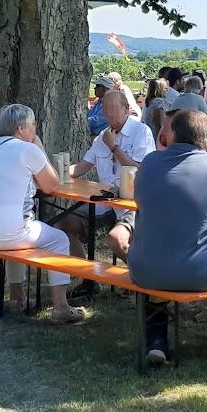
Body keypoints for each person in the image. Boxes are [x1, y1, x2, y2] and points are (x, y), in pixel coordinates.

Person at [0, 104, 85, 323]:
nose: (36, 128)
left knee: (13, 237)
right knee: (59, 239)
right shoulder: (28, 149)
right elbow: (51, 185)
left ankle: (17, 298)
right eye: (33, 124)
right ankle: (61, 308)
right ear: (21, 128)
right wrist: (40, 148)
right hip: (3, 232)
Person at [128, 110, 207, 364]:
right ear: (206, 138)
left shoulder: (148, 165)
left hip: (145, 270)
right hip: (200, 273)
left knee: (161, 249)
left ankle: (156, 341)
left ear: (172, 134)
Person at [56, 90, 155, 299]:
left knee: (115, 240)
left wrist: (114, 146)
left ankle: (143, 278)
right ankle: (88, 279)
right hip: (105, 201)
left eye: (113, 110)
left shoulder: (141, 132)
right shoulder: (103, 136)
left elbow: (140, 169)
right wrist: (57, 174)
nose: (108, 116)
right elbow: (83, 166)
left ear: (127, 110)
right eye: (106, 111)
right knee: (62, 224)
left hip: (133, 203)